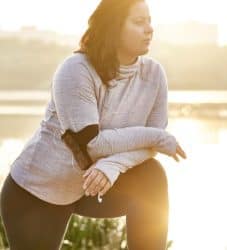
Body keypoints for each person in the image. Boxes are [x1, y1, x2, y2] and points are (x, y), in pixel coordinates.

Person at [0, 0, 187, 249]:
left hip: (95, 182)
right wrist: (157, 137)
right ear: (113, 27)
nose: (150, 29)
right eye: (139, 22)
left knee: (151, 177)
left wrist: (112, 166)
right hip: (39, 190)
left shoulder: (153, 74)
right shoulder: (76, 70)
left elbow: (151, 145)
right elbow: (91, 146)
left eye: (149, 21)